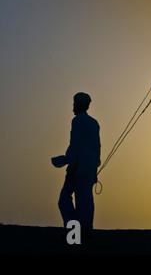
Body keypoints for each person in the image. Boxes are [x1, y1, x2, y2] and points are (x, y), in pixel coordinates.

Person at [52, 92, 101, 239]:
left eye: (74, 104)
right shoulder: (94, 123)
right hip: (90, 168)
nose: (73, 107)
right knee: (85, 198)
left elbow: (75, 146)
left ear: (78, 105)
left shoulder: (77, 121)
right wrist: (95, 171)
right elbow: (97, 147)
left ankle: (74, 228)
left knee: (64, 198)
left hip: (78, 167)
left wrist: (71, 167)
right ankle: (85, 229)